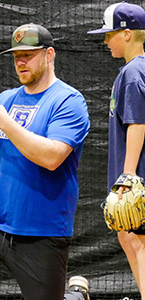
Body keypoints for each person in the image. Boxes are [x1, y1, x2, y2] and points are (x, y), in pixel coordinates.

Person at [0, 23, 90, 300]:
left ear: (49, 55)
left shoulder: (68, 101)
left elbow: (51, 157)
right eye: (16, 56)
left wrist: (4, 122)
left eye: (28, 54)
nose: (20, 62)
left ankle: (76, 296)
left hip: (41, 232)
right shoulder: (5, 99)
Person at [87, 2, 145, 299]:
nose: (105, 40)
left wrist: (128, 176)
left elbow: (137, 124)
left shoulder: (134, 72)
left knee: (137, 241)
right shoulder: (136, 69)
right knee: (128, 237)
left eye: (109, 34)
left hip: (137, 175)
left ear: (126, 33)